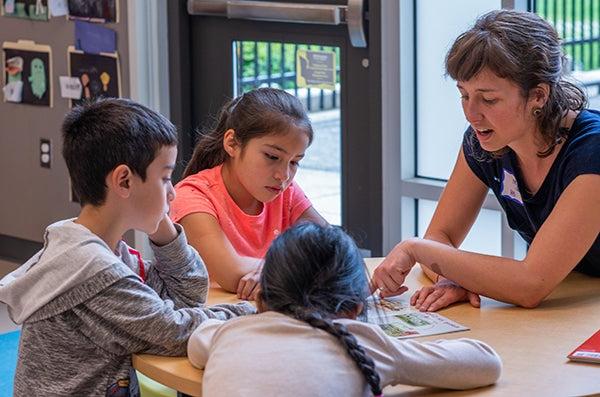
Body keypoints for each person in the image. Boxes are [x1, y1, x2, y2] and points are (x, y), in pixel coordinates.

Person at [0, 98, 254, 396]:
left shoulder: (96, 248)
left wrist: (163, 227)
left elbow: (188, 294)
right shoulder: (95, 272)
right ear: (124, 181)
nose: (173, 192)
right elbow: (173, 333)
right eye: (165, 178)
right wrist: (250, 311)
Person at [373, 9, 600, 311]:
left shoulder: (592, 150)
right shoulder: (484, 140)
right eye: (463, 95)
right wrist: (456, 277)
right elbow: (441, 237)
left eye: (489, 99)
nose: (471, 113)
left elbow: (530, 284)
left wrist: (415, 248)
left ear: (538, 96)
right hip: (576, 299)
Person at [187, 223, 502, 397]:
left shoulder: (230, 334)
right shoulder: (361, 344)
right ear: (356, 307)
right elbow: (486, 363)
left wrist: (246, 315)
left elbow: (198, 339)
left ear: (261, 298)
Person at [169, 87, 327, 300]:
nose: (284, 175)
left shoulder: (285, 191)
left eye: (295, 162)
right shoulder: (192, 195)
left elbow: (335, 252)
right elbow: (231, 272)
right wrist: (288, 268)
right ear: (232, 143)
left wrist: (272, 271)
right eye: (272, 157)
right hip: (213, 324)